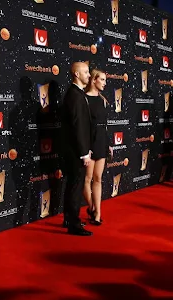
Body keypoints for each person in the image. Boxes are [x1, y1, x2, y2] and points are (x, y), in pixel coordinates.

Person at [61, 62, 94, 235]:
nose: (89, 75)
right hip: (75, 152)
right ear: (76, 74)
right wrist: (84, 153)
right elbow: (78, 127)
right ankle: (74, 224)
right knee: (75, 186)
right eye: (86, 72)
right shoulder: (75, 95)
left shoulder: (76, 94)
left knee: (72, 185)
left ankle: (68, 219)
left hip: (74, 150)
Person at [84, 69, 112, 225]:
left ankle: (97, 214)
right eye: (102, 79)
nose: (104, 82)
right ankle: (92, 207)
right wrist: (85, 148)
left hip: (101, 140)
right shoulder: (84, 99)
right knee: (87, 179)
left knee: (98, 178)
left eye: (105, 80)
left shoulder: (103, 100)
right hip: (89, 141)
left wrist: (108, 144)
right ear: (93, 80)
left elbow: (105, 126)